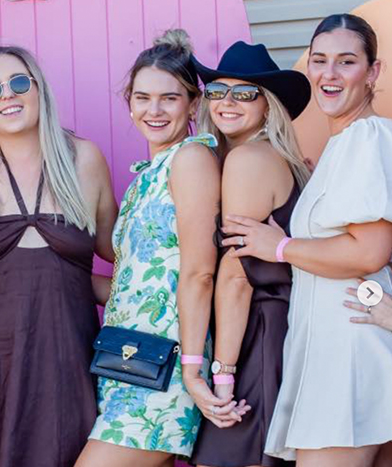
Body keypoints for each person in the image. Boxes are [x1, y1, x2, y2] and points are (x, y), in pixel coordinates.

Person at [221, 14, 392, 467]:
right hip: (340, 344)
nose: (329, 74)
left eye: (346, 61)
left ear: (373, 71)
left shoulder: (366, 138)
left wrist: (278, 247)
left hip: (349, 351)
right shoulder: (346, 144)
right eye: (319, 60)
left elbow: (370, 252)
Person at [0, 45, 117, 467]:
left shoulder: (84, 159)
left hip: (67, 353)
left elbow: (121, 259)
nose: (7, 94)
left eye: (19, 82)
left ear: (40, 91)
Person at [76, 29, 231, 467]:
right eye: (143, 98)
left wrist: (192, 371)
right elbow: (134, 285)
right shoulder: (147, 174)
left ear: (193, 105)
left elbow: (200, 272)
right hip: (128, 361)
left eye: (169, 98)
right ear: (130, 103)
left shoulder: (191, 160)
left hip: (170, 366)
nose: (154, 110)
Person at [189, 41, 311, 467]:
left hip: (256, 332)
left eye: (244, 93)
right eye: (217, 91)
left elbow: (236, 275)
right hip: (268, 329)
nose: (227, 102)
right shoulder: (270, 157)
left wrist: (223, 373)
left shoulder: (248, 160)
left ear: (268, 105)